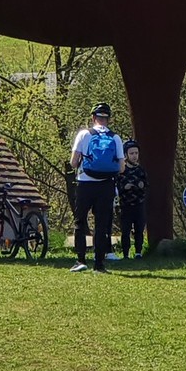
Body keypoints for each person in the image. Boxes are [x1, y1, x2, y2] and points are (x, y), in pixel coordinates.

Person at [68, 102, 125, 273]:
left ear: (93, 118)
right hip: (106, 185)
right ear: (108, 119)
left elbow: (73, 162)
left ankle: (80, 260)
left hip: (85, 183)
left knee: (80, 221)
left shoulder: (84, 134)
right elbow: (122, 167)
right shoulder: (115, 138)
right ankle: (99, 264)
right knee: (101, 224)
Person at [116, 140, 148, 259]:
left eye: (136, 153)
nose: (134, 156)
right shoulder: (121, 170)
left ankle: (138, 252)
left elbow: (147, 184)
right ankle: (125, 254)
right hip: (125, 205)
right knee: (125, 230)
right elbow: (117, 187)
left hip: (139, 204)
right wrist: (125, 187)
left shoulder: (141, 170)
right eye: (131, 153)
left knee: (139, 229)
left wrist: (141, 185)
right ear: (126, 154)